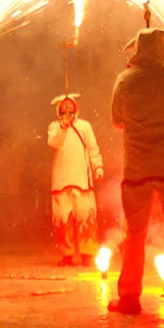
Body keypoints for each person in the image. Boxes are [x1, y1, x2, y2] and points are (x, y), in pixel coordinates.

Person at [109, 27, 164, 315]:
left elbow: (117, 120)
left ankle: (130, 297)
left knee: (134, 234)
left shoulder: (126, 79)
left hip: (138, 167)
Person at [47, 93, 103, 266]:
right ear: (59, 110)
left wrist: (97, 166)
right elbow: (53, 143)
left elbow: (93, 148)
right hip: (61, 180)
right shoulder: (54, 126)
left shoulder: (84, 126)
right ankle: (67, 255)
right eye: (64, 106)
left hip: (82, 180)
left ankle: (87, 254)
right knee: (63, 220)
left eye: (70, 106)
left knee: (86, 219)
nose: (68, 109)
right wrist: (63, 128)